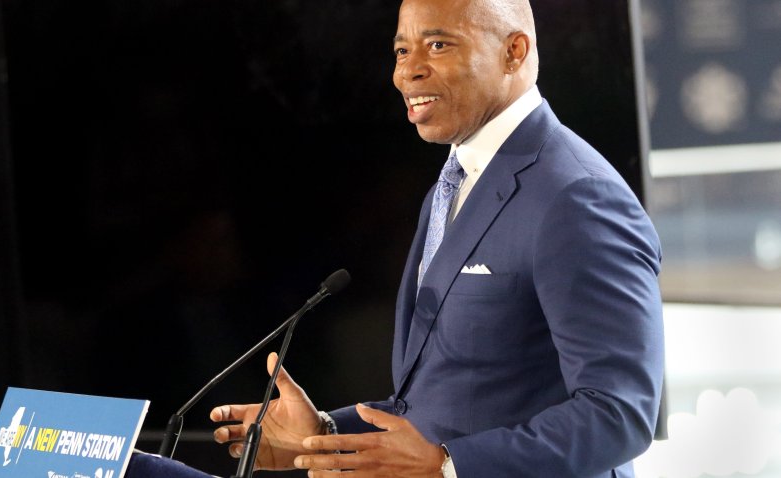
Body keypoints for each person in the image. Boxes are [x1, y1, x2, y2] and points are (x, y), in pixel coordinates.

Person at [210, 0, 665, 476]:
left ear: (514, 51)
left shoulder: (577, 197)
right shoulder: (451, 186)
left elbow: (619, 414)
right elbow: (441, 399)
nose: (408, 72)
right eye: (401, 50)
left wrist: (448, 466)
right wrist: (323, 436)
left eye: (438, 45)